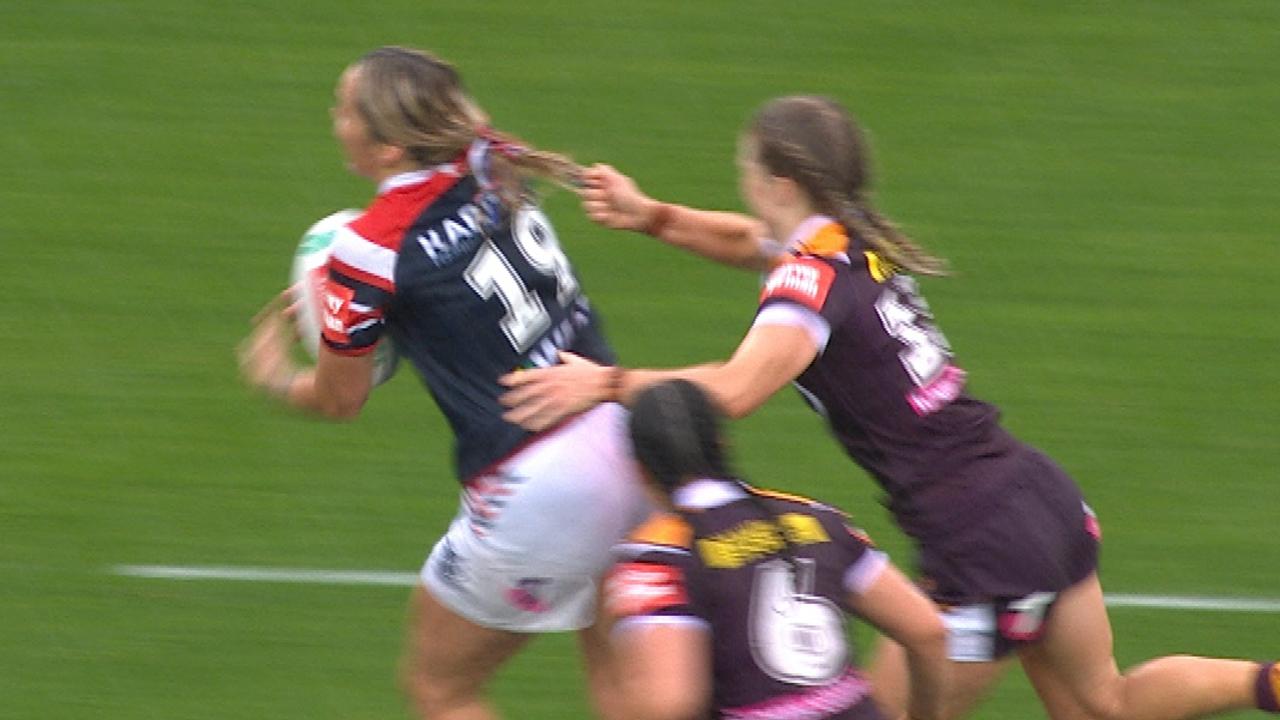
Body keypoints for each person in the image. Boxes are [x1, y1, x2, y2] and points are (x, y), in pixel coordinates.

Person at [498, 95, 1280, 720]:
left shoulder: (807, 282)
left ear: (780, 183)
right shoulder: (849, 240)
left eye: (745, 168)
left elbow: (735, 391)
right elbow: (749, 242)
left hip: (975, 541)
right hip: (1038, 495)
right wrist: (655, 216)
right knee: (1102, 703)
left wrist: (601, 383)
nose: (741, 182)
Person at [237, 46, 650, 720]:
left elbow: (342, 398)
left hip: (535, 485)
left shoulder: (368, 250)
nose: (335, 118)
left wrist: (281, 377)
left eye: (345, 109)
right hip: (626, 437)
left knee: (441, 689)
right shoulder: (492, 156)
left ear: (392, 146)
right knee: (620, 690)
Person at [605, 378, 950, 720]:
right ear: (721, 444)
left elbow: (669, 705)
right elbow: (928, 631)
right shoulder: (816, 518)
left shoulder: (659, 556)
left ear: (640, 471)